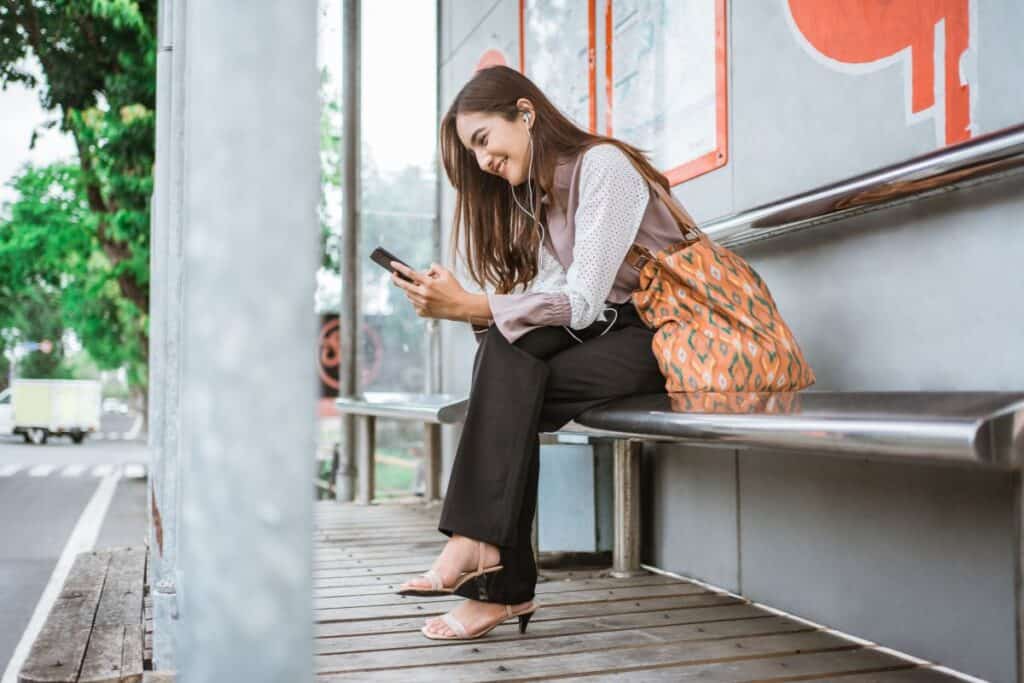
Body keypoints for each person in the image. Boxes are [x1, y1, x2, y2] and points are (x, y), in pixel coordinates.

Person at [388, 65, 695, 641]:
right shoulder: (542, 198)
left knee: (508, 369)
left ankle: (492, 575)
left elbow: (579, 303)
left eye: (484, 141)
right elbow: (545, 301)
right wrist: (478, 306)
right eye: (473, 153)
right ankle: (480, 556)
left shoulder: (603, 167)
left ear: (525, 114)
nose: (483, 163)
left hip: (667, 335)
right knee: (509, 361)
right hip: (613, 333)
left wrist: (471, 305)